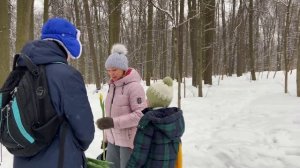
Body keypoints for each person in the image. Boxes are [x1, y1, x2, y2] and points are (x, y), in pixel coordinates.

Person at [13, 18, 95, 168]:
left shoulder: (21, 70)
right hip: (60, 159)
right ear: (67, 44)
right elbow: (85, 130)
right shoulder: (67, 75)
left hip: (22, 159)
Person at [96, 44, 147, 168]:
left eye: (114, 70)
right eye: (108, 70)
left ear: (123, 69)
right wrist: (107, 137)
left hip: (129, 141)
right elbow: (111, 114)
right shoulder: (113, 86)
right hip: (113, 140)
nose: (111, 74)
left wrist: (113, 122)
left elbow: (140, 115)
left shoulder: (134, 87)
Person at [126, 77, 185, 168]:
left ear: (154, 101)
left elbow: (139, 153)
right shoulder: (175, 120)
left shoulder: (148, 122)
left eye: (148, 98)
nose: (146, 100)